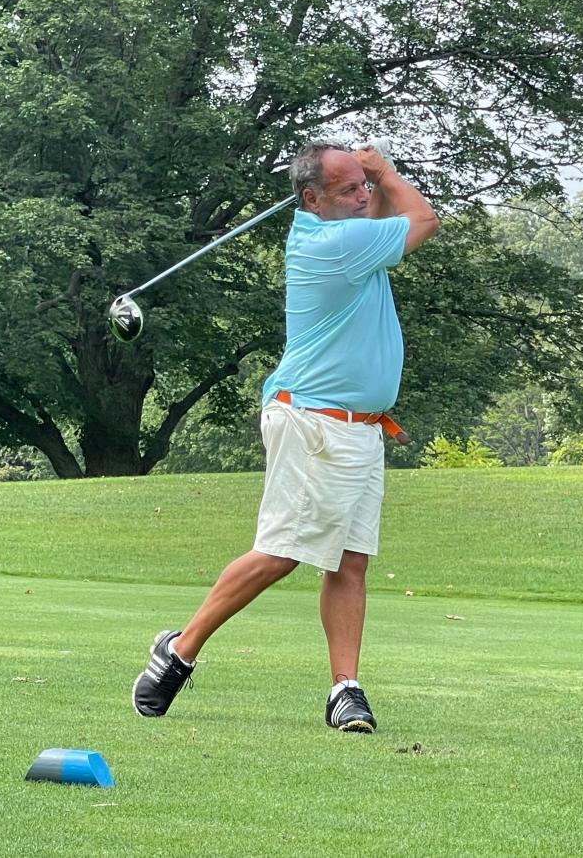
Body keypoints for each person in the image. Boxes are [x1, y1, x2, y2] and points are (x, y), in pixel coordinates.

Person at [132, 138, 439, 732]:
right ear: (310, 199)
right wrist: (385, 170)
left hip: (357, 429)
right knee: (281, 553)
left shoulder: (346, 237)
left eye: (364, 186)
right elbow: (423, 218)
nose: (363, 195)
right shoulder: (332, 246)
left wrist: (368, 185)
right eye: (349, 187)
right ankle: (179, 651)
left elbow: (378, 218)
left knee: (350, 563)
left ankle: (344, 689)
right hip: (314, 422)